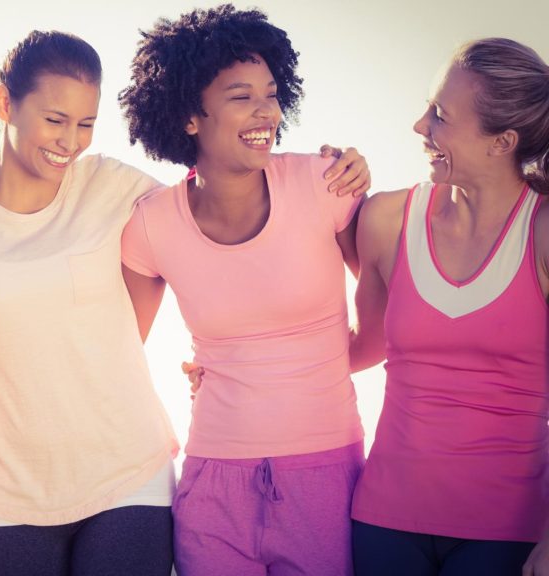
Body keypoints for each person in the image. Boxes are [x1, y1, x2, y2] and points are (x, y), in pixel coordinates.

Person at [0, 28, 369, 576]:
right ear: (5, 103)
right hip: (8, 483)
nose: (71, 141)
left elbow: (210, 212)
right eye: (55, 120)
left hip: (129, 472)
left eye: (86, 124)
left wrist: (339, 166)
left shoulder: (117, 188)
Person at [118, 6, 367, 574]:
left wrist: (302, 371)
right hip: (212, 479)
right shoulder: (152, 223)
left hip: (325, 471)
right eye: (240, 96)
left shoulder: (323, 183)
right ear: (188, 117)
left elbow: (390, 316)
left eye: (272, 94)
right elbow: (115, 346)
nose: (266, 112)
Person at [348, 38, 549, 576]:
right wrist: (234, 361)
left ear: (502, 141)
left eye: (439, 115)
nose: (419, 126)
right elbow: (357, 349)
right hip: (384, 521)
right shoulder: (387, 219)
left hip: (507, 532)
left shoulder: (543, 231)